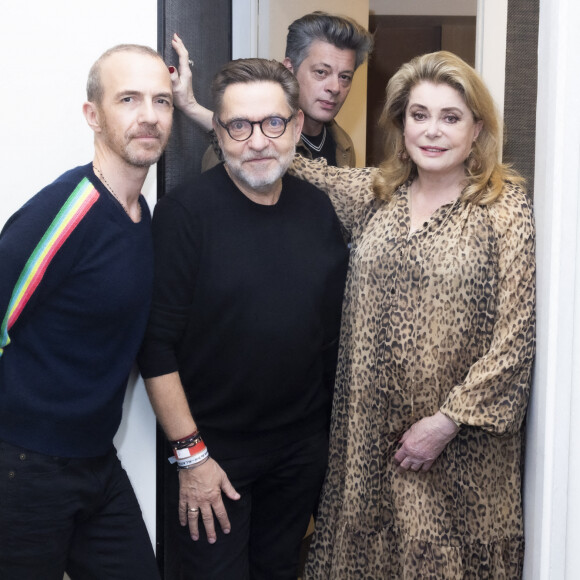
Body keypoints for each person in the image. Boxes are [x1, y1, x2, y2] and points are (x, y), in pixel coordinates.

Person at [287, 51, 536, 578]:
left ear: (477, 130)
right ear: (401, 126)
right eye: (418, 115)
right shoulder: (378, 193)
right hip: (368, 441)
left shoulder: (503, 207)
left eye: (451, 117)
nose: (432, 131)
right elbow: (290, 162)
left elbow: (516, 338)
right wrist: (204, 112)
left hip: (458, 449)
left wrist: (445, 424)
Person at [137, 58, 348, 579]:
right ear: (219, 131)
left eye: (273, 123)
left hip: (299, 451)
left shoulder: (318, 209)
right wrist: (192, 457)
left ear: (296, 126)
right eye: (240, 126)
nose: (258, 142)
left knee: (278, 570)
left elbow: (329, 340)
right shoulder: (185, 214)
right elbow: (155, 347)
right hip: (214, 454)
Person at [0, 44, 173, 579]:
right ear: (93, 115)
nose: (148, 115)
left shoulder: (144, 215)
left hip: (96, 461)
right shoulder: (66, 209)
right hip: (24, 467)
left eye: (161, 101)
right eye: (128, 99)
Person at [171, 10, 373, 170]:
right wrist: (190, 106)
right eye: (321, 72)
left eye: (345, 77)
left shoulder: (343, 145)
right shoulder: (247, 146)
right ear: (289, 68)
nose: (335, 88)